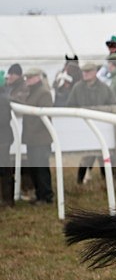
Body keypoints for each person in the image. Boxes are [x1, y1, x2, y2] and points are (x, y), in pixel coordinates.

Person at [67, 62, 116, 184]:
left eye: (88, 72)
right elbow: (70, 105)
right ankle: (79, 182)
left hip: (102, 128)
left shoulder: (104, 88)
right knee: (87, 156)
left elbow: (114, 105)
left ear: (95, 72)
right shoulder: (77, 88)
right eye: (84, 72)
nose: (85, 74)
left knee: (103, 156)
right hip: (85, 129)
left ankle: (108, 183)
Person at [21, 68, 54, 205]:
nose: (28, 80)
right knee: (35, 168)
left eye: (30, 77)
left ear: (38, 78)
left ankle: (46, 196)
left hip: (40, 138)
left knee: (41, 168)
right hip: (33, 138)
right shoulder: (34, 92)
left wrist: (32, 130)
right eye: (27, 77)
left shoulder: (43, 93)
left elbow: (45, 116)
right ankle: (40, 195)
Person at [0, 84, 13, 206]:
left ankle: (8, 200)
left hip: (3, 139)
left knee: (5, 170)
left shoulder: (3, 99)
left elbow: (3, 119)